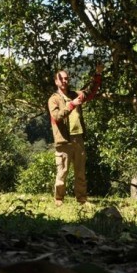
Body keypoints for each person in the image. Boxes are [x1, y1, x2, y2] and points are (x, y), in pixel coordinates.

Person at [48, 63, 103, 205]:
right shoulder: (53, 99)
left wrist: (97, 74)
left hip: (78, 137)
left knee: (80, 172)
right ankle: (59, 199)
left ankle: (82, 199)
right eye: (61, 79)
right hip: (63, 140)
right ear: (56, 81)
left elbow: (90, 92)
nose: (65, 81)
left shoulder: (74, 94)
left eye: (66, 78)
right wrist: (71, 105)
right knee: (62, 171)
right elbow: (57, 117)